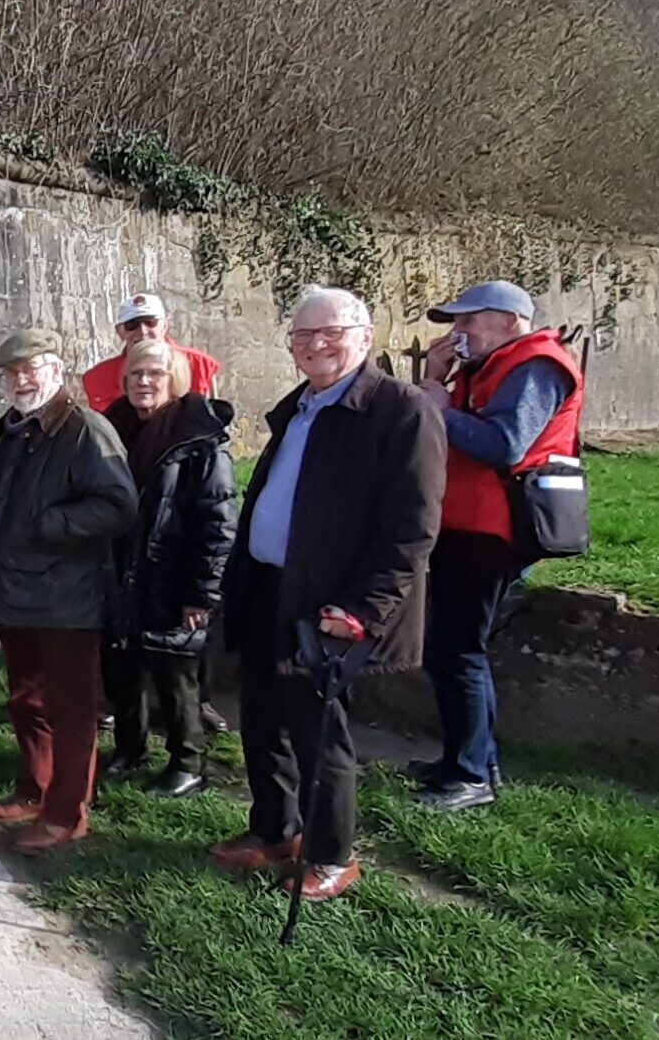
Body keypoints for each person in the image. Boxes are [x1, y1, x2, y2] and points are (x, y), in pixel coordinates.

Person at [208, 287, 442, 903]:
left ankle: (332, 854)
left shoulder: (400, 410)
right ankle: (274, 831)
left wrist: (364, 611)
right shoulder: (299, 407)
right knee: (261, 719)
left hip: (330, 606)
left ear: (366, 337)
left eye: (330, 333)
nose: (315, 345)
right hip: (267, 588)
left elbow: (412, 528)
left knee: (319, 734)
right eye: (302, 336)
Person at [412, 280, 583, 813]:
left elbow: (505, 442)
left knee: (457, 649)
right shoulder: (489, 366)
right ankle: (469, 760)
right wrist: (436, 383)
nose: (457, 333)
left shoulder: (536, 365)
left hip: (493, 529)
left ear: (509, 322)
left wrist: (437, 404)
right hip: (463, 525)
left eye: (467, 322)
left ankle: (469, 774)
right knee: (452, 648)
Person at [0, 329, 137, 856]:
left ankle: (66, 814)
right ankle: (35, 789)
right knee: (26, 699)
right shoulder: (16, 430)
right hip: (16, 593)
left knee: (71, 709)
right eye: (13, 373)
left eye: (31, 369)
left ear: (57, 370)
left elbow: (118, 504)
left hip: (67, 597)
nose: (21, 380)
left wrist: (48, 523)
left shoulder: (86, 429)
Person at [101, 339, 238, 799]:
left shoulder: (199, 437)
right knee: (123, 667)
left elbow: (218, 521)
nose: (144, 382)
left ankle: (189, 762)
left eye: (155, 374)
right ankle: (130, 748)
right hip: (123, 568)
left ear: (174, 380)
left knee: (176, 675)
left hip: (173, 571)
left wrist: (202, 592)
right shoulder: (113, 426)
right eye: (136, 374)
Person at [82, 293, 221, 414]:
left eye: (150, 322)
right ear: (120, 331)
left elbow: (214, 421)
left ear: (165, 325)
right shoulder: (98, 377)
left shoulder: (199, 364)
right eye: (132, 325)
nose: (142, 331)